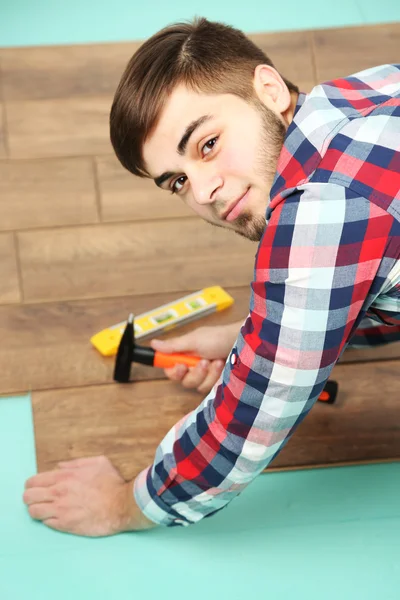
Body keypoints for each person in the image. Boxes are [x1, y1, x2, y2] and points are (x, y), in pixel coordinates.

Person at [23, 17, 400, 537]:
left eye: (206, 145)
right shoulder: (366, 92)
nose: (202, 192)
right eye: (177, 181)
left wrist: (123, 503)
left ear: (268, 89)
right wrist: (244, 336)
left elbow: (250, 414)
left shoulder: (322, 214)